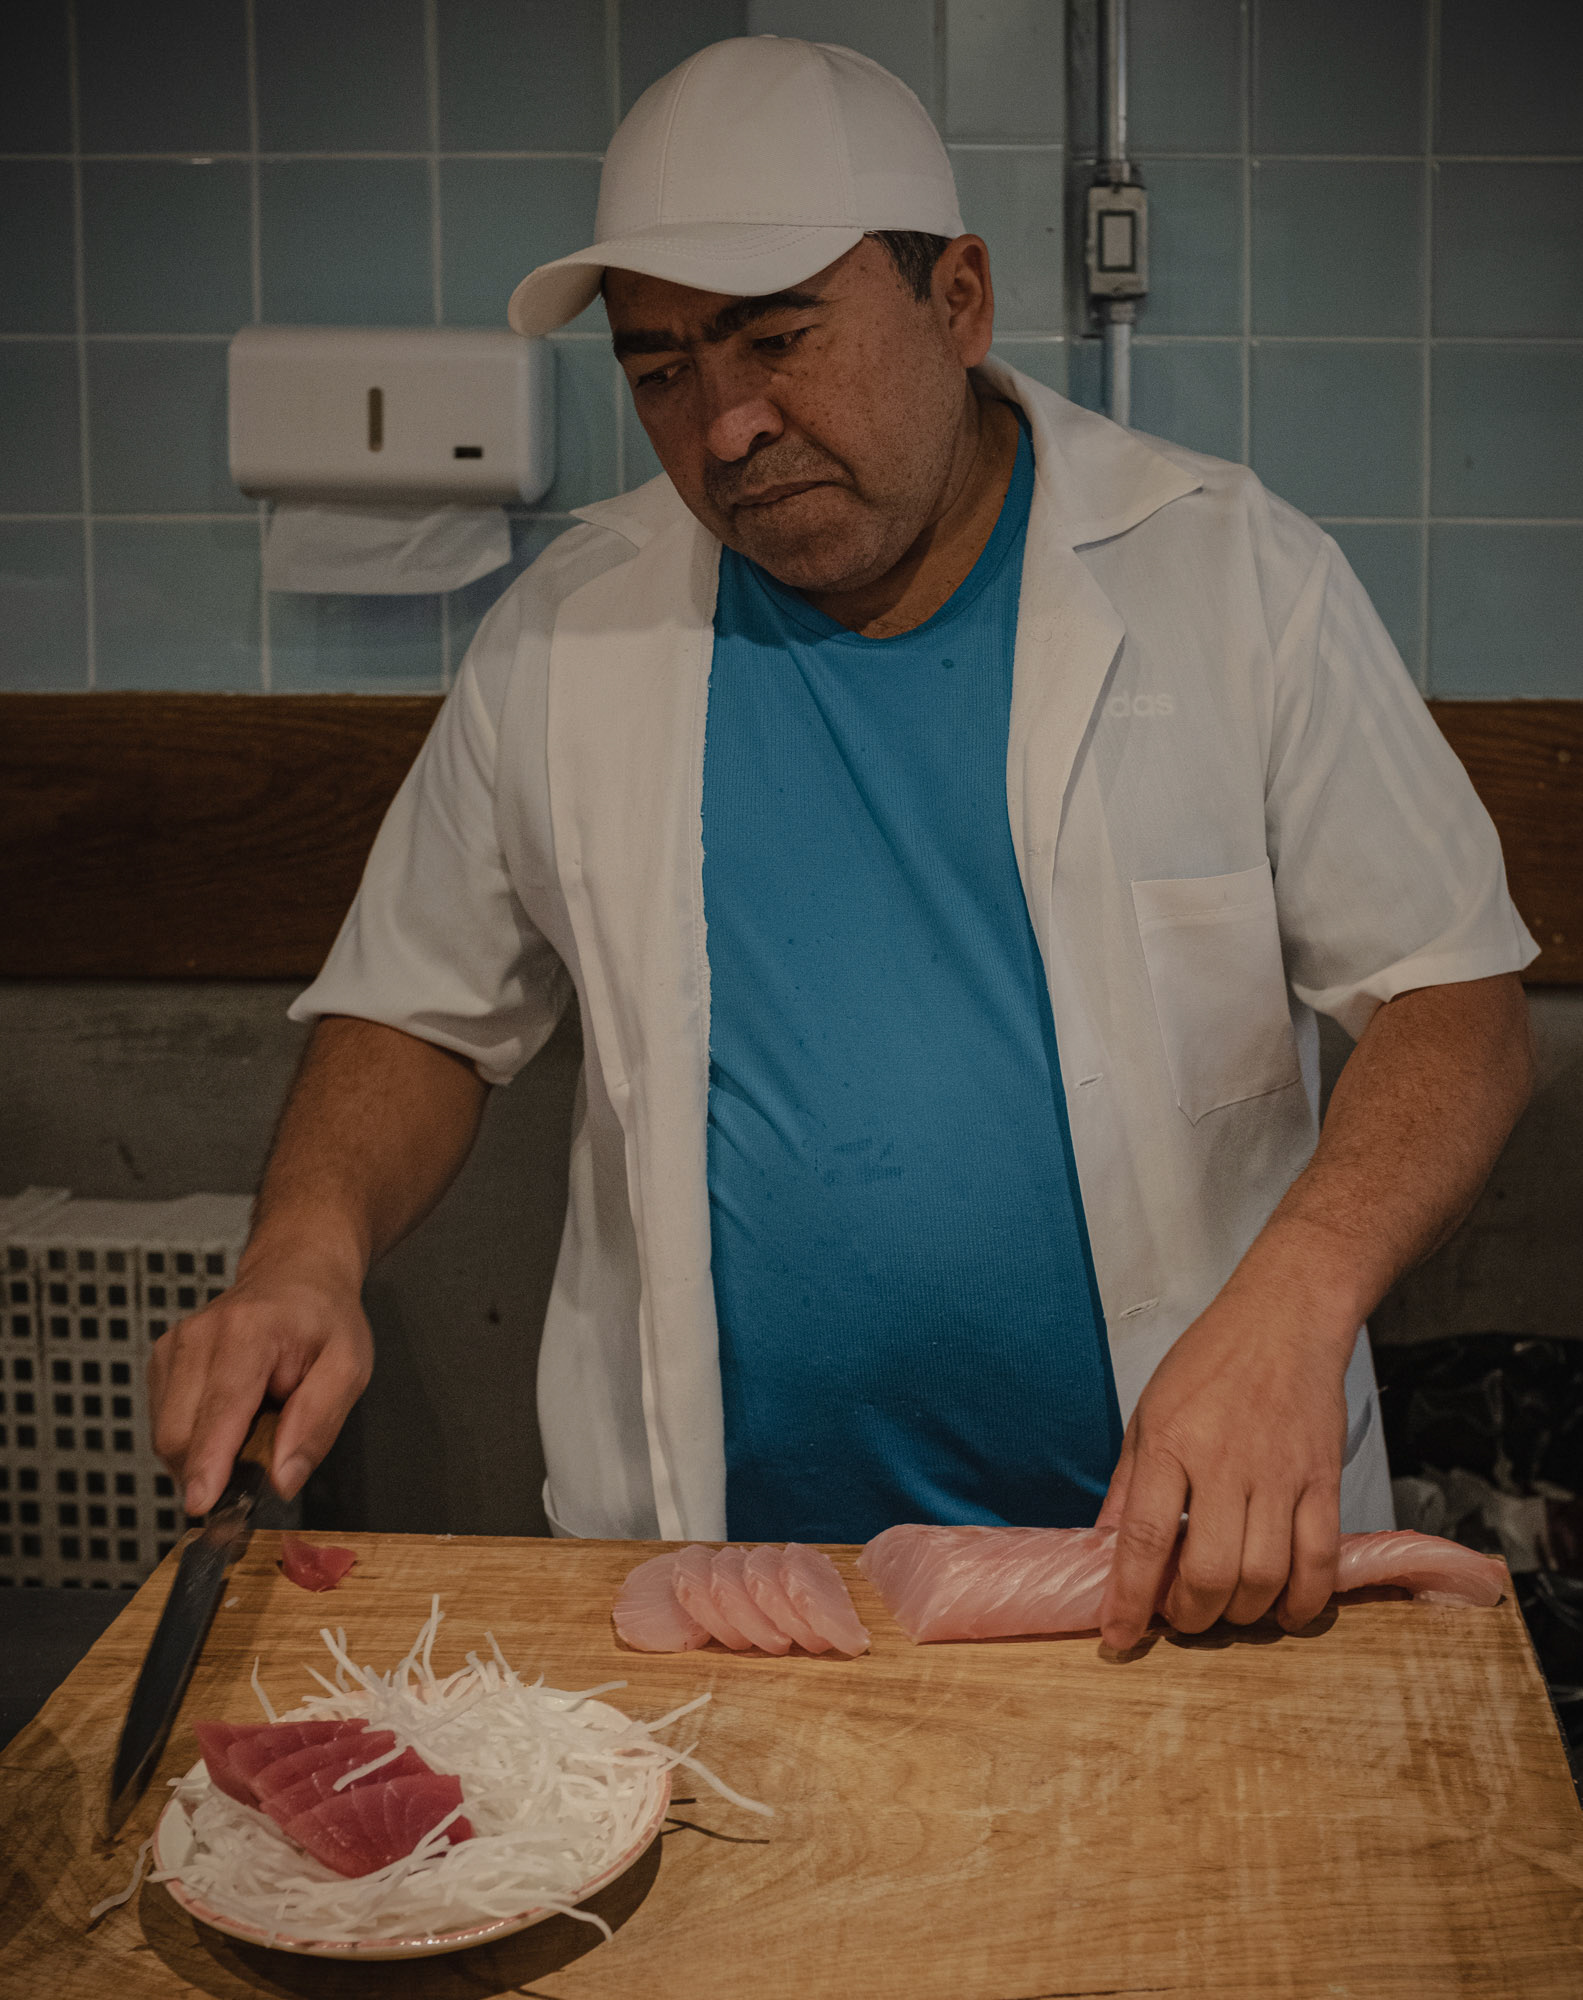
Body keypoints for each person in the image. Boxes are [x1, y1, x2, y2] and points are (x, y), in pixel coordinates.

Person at [149, 37, 1535, 1654]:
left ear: (958, 302)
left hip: (1193, 1570)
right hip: (713, 1596)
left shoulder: (1233, 584)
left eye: (778, 341)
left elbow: (1461, 1009)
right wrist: (306, 1248)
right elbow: (419, 1007)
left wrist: (1294, 1307)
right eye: (661, 370)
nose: (725, 427)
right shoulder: (565, 636)